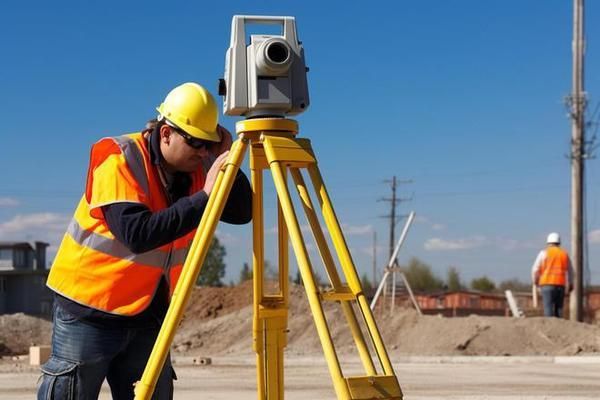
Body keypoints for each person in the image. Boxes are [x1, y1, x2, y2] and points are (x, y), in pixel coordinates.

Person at [38, 82, 252, 399]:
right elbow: (137, 235)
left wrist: (225, 159)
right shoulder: (120, 158)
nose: (202, 151)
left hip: (148, 315)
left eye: (208, 144)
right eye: (195, 142)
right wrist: (205, 195)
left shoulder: (198, 166)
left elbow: (242, 211)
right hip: (91, 310)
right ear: (166, 133)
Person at [531, 232, 573, 318]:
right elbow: (570, 270)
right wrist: (571, 283)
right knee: (559, 309)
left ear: (548, 243)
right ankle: (559, 329)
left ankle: (550, 330)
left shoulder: (544, 253)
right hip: (561, 285)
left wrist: (535, 281)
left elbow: (535, 269)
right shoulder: (564, 254)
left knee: (548, 309)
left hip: (546, 284)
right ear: (559, 243)